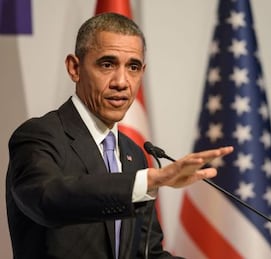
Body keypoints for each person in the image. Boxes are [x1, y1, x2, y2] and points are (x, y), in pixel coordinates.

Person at [6, 12, 233, 259]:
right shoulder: (39, 136)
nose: (122, 82)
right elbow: (47, 200)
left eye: (133, 67)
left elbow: (147, 254)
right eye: (107, 64)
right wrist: (146, 182)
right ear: (75, 67)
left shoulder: (133, 154)